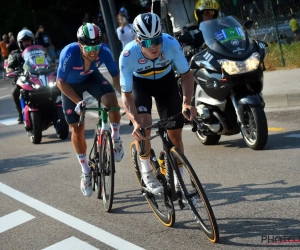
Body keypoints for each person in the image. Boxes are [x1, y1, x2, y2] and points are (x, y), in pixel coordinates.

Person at [120, 13, 197, 194]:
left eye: (156, 40)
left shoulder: (171, 44)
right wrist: (134, 120)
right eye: (147, 42)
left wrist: (187, 103)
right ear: (138, 41)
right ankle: (147, 173)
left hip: (166, 84)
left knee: (175, 135)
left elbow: (186, 75)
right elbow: (126, 95)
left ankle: (179, 174)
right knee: (144, 127)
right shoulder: (128, 55)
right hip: (141, 87)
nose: (154, 46)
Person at [56, 23, 124, 197]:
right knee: (77, 130)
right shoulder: (69, 53)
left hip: (91, 78)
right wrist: (78, 101)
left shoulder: (104, 51)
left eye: (96, 47)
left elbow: (116, 76)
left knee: (112, 100)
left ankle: (115, 137)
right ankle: (85, 171)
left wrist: (126, 98)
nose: (94, 52)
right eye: (89, 48)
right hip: (70, 86)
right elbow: (60, 82)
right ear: (80, 45)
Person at [6, 29, 34, 124]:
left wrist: (53, 65)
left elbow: (47, 61)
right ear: (20, 43)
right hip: (23, 79)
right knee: (15, 92)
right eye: (24, 41)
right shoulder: (15, 54)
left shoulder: (38, 51)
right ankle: (21, 114)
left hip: (38, 78)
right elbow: (10, 66)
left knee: (54, 88)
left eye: (28, 40)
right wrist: (10, 70)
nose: (27, 43)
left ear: (32, 41)